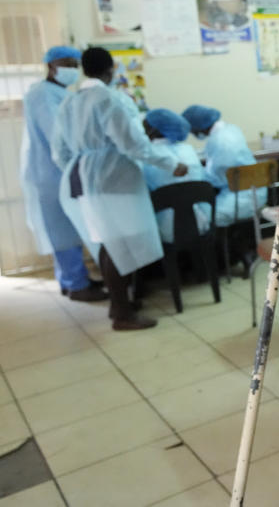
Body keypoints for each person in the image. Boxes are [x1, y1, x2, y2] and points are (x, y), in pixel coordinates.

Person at [52, 47, 187, 331]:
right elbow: (133, 144)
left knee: (106, 240)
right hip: (114, 178)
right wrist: (170, 163)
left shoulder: (69, 102)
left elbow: (59, 152)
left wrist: (83, 168)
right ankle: (122, 313)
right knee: (121, 243)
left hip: (82, 177)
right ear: (110, 69)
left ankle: (119, 305)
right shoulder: (111, 99)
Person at [20, 46, 106, 301]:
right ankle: (76, 285)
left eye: (74, 63)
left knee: (68, 228)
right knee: (62, 229)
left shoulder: (58, 92)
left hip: (57, 171)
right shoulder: (43, 95)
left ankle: (73, 280)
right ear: (51, 65)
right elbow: (59, 135)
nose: (71, 68)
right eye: (65, 63)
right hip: (51, 173)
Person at [181, 104, 266, 230]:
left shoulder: (219, 141)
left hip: (240, 200)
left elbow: (217, 179)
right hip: (258, 193)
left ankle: (225, 248)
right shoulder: (231, 129)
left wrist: (197, 172)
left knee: (202, 216)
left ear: (200, 128)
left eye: (193, 131)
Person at [141, 108, 212, 244]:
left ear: (149, 131)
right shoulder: (189, 150)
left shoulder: (146, 158)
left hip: (166, 232)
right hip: (201, 225)